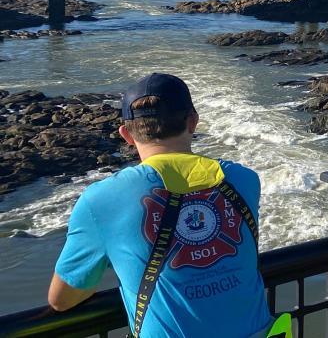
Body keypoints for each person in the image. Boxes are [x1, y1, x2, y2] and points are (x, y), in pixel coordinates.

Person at [48, 73, 283, 338]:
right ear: (192, 122)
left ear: (126, 134)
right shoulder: (244, 180)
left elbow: (62, 299)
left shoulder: (100, 201)